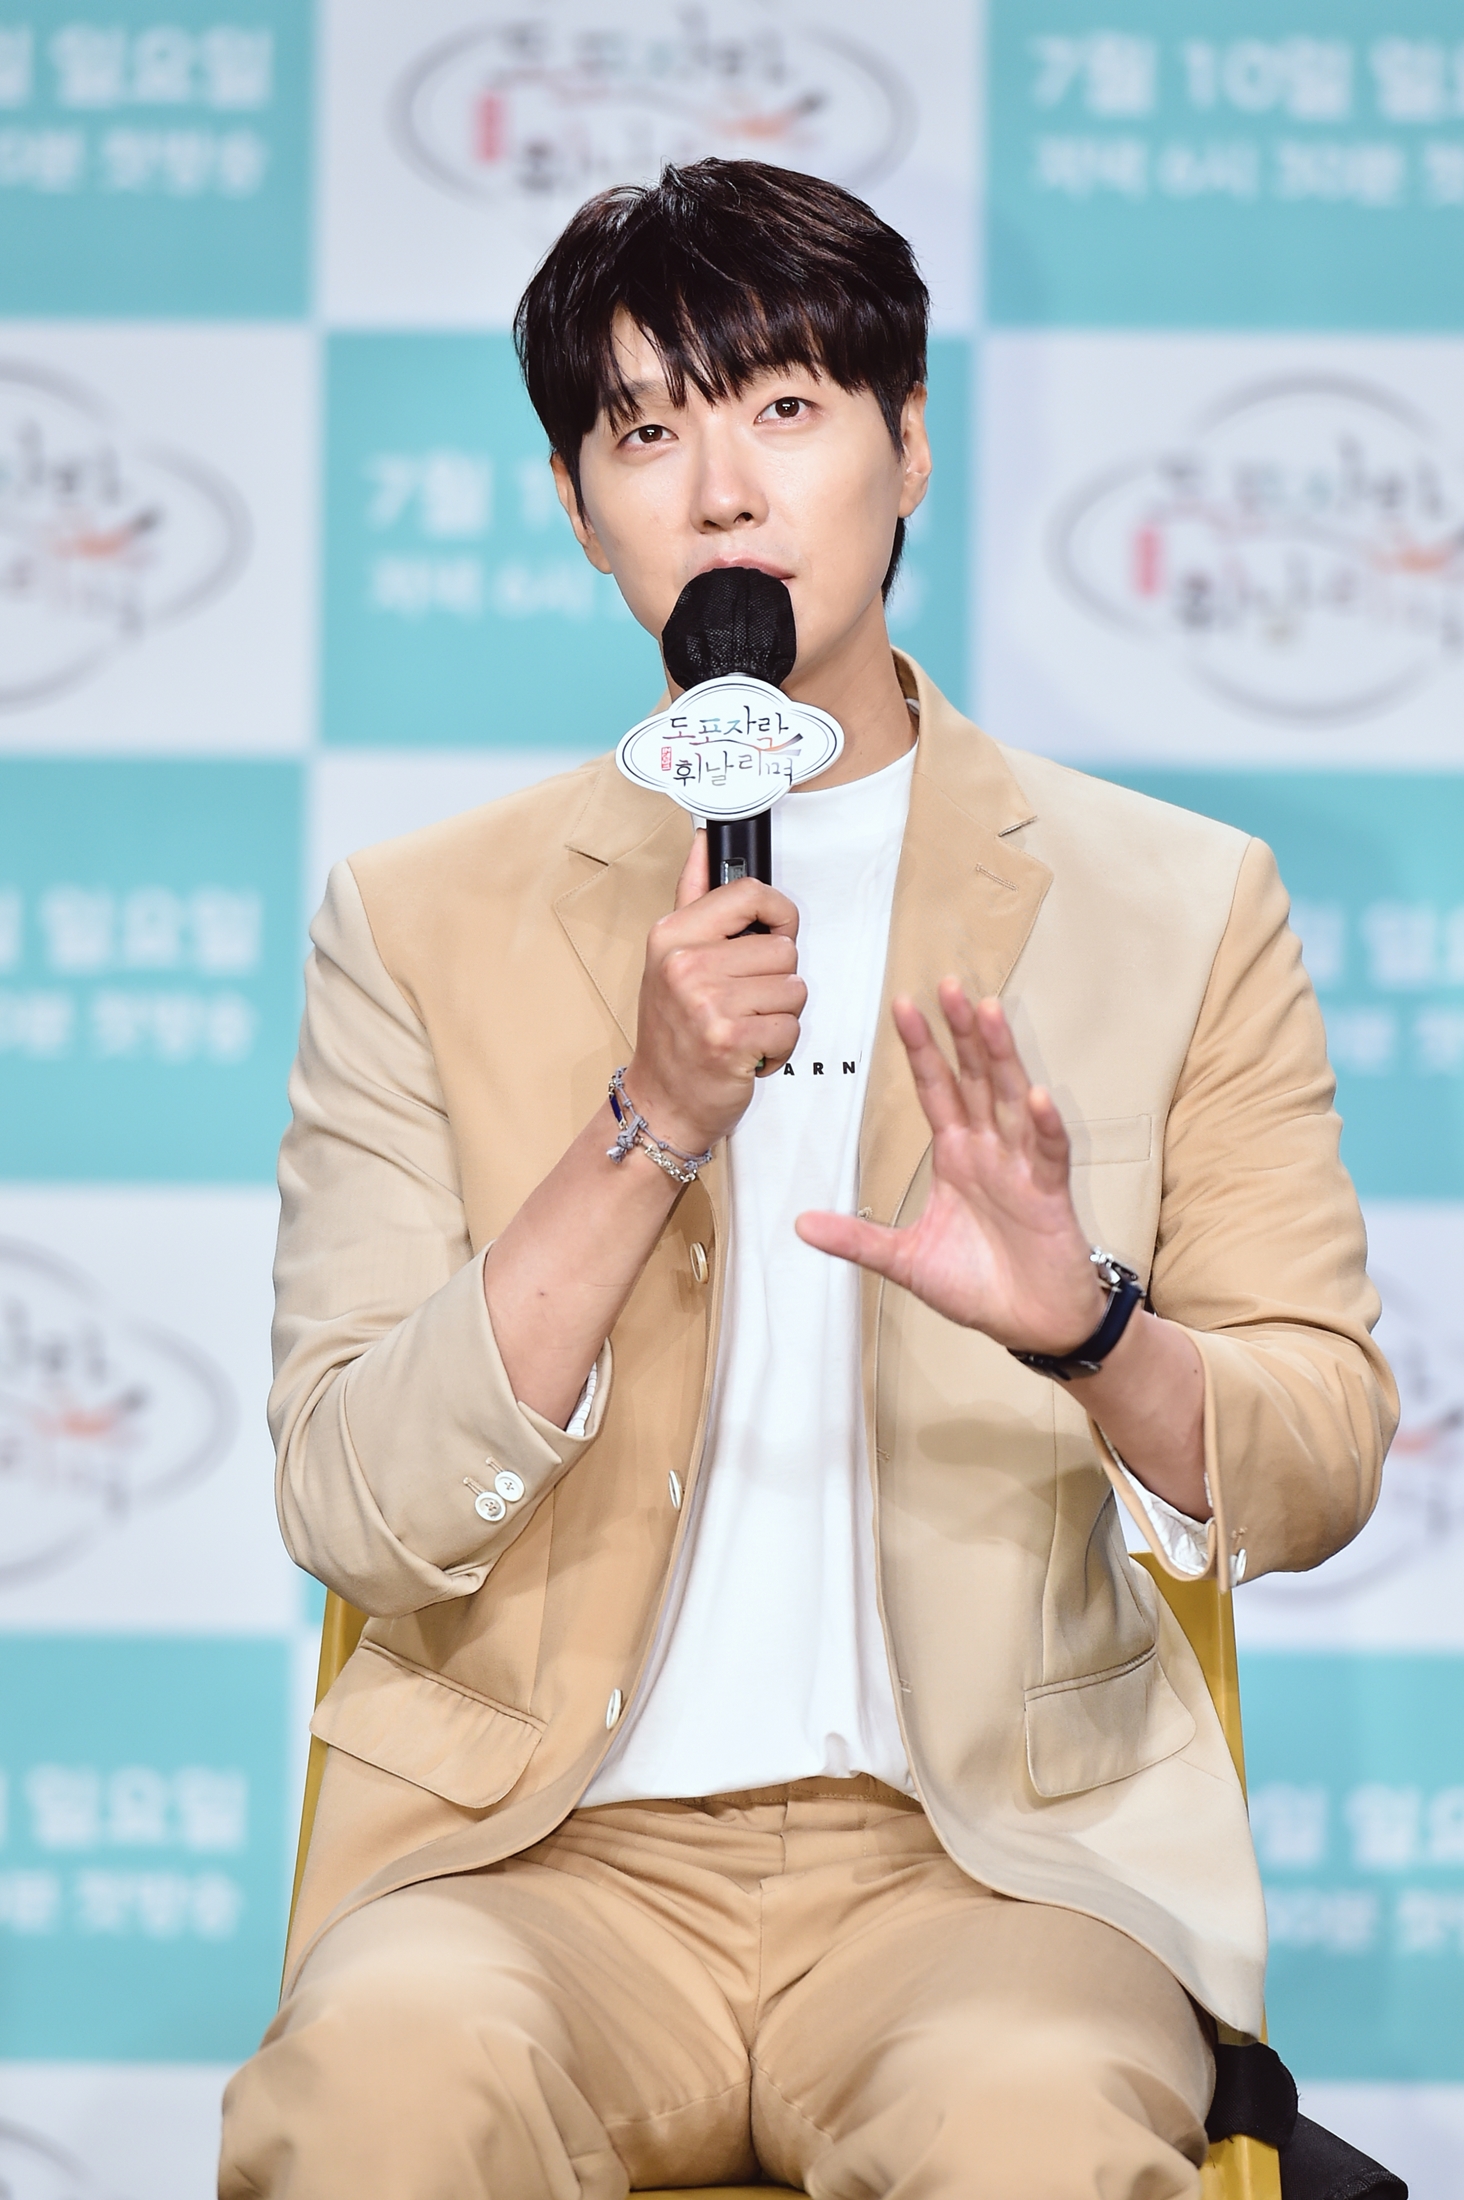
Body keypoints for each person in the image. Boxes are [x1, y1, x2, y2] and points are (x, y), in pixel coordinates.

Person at [220, 160, 1396, 2198]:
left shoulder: (1178, 901)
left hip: (986, 1877)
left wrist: (1091, 1329)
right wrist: (648, 1123)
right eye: (643, 434)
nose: (722, 491)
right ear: (576, 507)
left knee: (1034, 2124)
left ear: (907, 444)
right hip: (537, 1869)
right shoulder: (416, 920)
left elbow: (1323, 1451)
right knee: (381, 2094)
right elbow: (352, 1501)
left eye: (783, 408)